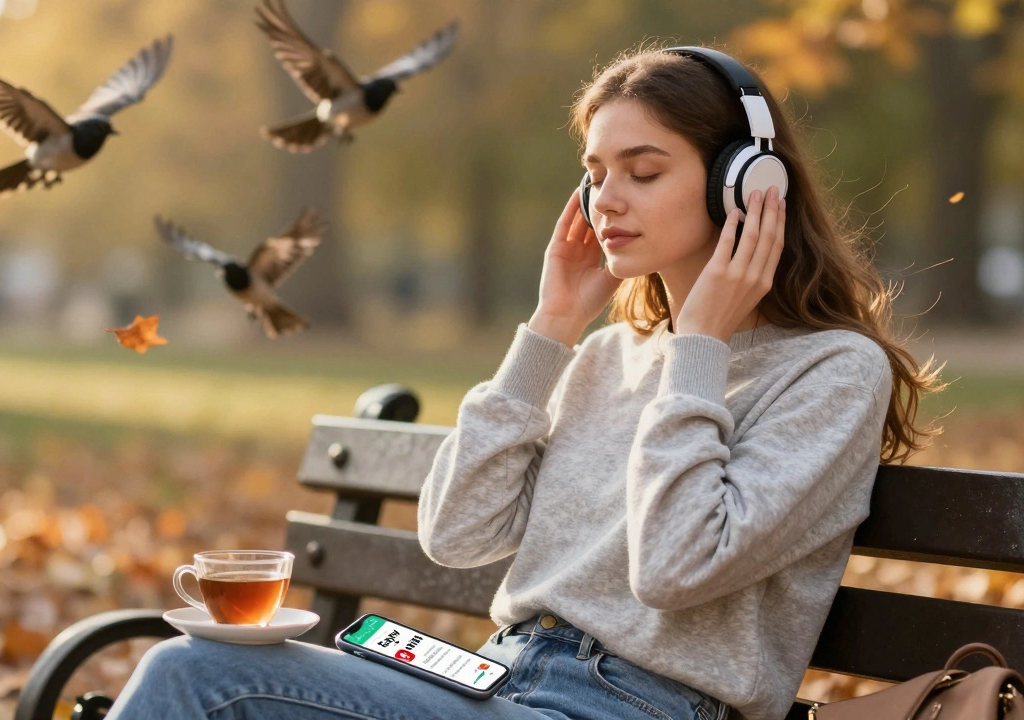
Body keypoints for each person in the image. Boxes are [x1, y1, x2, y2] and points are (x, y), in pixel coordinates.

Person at [106, 44, 942, 720]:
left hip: (635, 711)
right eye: (596, 171)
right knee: (208, 665)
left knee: (199, 674)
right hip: (492, 683)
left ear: (745, 185)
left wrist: (701, 349)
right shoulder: (609, 357)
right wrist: (549, 332)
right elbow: (456, 533)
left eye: (643, 171)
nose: (606, 199)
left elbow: (677, 569)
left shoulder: (832, 373)